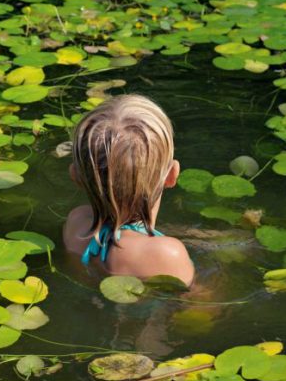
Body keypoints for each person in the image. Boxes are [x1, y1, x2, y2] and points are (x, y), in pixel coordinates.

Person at [62, 94, 195, 287]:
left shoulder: (76, 222)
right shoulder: (168, 253)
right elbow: (197, 305)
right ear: (172, 175)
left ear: (76, 176)